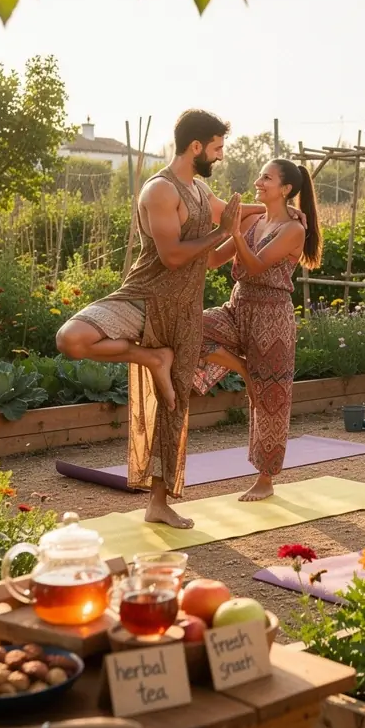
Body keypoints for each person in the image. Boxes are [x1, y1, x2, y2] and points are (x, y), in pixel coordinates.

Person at [57, 109, 261, 529]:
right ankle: (150, 358)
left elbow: (225, 235)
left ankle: (159, 503)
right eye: (218, 148)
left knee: (172, 406)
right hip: (144, 298)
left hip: (184, 310)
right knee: (70, 338)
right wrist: (222, 232)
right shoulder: (160, 191)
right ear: (196, 146)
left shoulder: (202, 191)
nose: (220, 156)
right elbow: (171, 257)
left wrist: (278, 209)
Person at [194, 158, 322, 501]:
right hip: (239, 306)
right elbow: (211, 260)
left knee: (271, 400)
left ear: (286, 189)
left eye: (266, 177)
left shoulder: (294, 230)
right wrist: (223, 229)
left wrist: (235, 232)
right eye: (260, 174)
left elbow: (254, 266)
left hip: (272, 316)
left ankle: (265, 480)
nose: (258, 181)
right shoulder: (253, 218)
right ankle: (245, 372)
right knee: (190, 329)